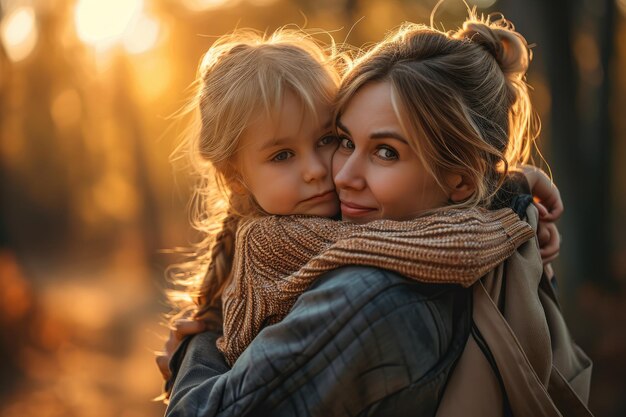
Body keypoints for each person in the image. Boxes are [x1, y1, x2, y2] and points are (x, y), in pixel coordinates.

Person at [161, 14, 579, 417]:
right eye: (345, 140)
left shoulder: (367, 294)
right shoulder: (345, 234)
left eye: (385, 151)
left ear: (461, 181)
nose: (336, 174)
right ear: (236, 177)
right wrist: (512, 193)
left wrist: (192, 354)